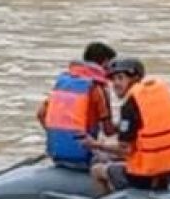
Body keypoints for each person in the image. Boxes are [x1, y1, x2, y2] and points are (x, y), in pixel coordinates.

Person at [83, 57, 170, 194]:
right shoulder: (158, 94)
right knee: (112, 156)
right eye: (113, 79)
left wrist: (96, 145)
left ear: (135, 78)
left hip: (145, 176)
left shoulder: (129, 105)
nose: (115, 84)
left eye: (120, 78)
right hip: (169, 171)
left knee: (97, 170)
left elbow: (125, 150)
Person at [38, 42, 117, 170]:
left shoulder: (64, 83)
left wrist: (60, 136)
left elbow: (41, 114)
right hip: (84, 157)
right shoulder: (97, 88)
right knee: (120, 155)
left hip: (56, 156)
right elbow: (108, 131)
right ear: (105, 63)